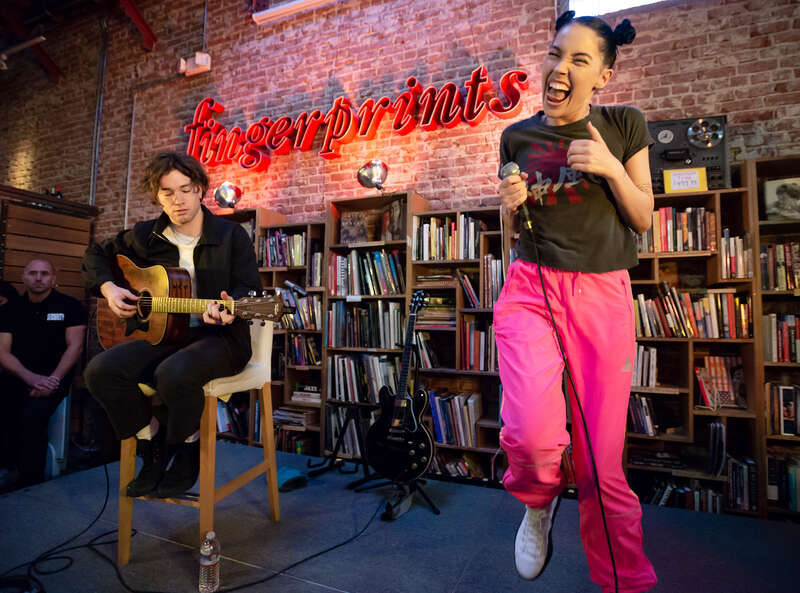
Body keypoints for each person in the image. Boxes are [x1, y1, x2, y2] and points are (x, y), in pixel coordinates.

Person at [493, 10, 657, 593]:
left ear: (603, 77)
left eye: (579, 60)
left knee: (598, 464)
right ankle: (538, 503)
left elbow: (642, 218)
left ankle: (623, 581)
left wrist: (612, 169)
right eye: (555, 53)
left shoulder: (624, 124)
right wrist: (508, 203)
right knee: (533, 435)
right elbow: (512, 225)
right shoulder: (517, 136)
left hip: (601, 293)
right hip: (530, 287)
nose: (560, 68)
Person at [82, 151, 261, 498]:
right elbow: (95, 255)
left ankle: (185, 447)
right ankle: (152, 444)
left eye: (185, 189)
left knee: (173, 373)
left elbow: (251, 288)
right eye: (167, 192)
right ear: (157, 195)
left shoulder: (231, 235)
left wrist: (231, 307)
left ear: (200, 189)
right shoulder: (145, 235)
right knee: (99, 371)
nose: (177, 200)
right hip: (166, 333)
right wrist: (109, 288)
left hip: (221, 339)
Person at [0, 260, 87, 490]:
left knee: (32, 416)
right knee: (6, 411)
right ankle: (7, 467)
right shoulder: (10, 309)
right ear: (23, 276)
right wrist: (30, 378)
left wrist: (53, 380)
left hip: (55, 377)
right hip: (18, 376)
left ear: (53, 278)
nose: (38, 278)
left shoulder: (70, 306)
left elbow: (74, 347)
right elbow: (2, 352)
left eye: (44, 274)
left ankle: (30, 482)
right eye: (33, 273)